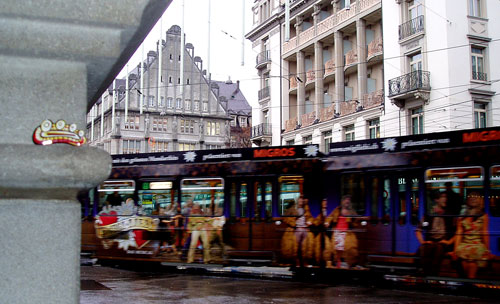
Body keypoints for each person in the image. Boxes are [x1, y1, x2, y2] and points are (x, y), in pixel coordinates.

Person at [415, 191, 455, 276]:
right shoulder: (429, 215)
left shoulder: (449, 214)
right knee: (423, 248)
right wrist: (423, 242)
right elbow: (418, 230)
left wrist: (449, 242)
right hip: (431, 241)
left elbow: (457, 232)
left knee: (439, 249)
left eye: (446, 197)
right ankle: (424, 275)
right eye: (443, 197)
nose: (445, 199)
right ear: (437, 200)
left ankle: (433, 276)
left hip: (443, 242)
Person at [452, 192, 490, 279]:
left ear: (480, 201)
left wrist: (488, 249)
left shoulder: (484, 216)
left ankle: (470, 280)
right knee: (462, 252)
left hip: (477, 243)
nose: (473, 198)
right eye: (471, 197)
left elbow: (485, 232)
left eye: (476, 197)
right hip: (465, 243)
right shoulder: (462, 216)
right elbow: (459, 233)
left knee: (474, 254)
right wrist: (455, 250)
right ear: (467, 201)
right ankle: (467, 282)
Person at [331, 195, 359, 268]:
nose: (347, 201)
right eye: (346, 200)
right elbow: (330, 217)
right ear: (342, 201)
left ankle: (345, 264)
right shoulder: (337, 210)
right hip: (337, 232)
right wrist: (327, 222)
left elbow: (356, 222)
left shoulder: (352, 211)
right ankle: (338, 264)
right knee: (337, 249)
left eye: (348, 200)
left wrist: (351, 223)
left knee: (346, 249)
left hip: (346, 233)